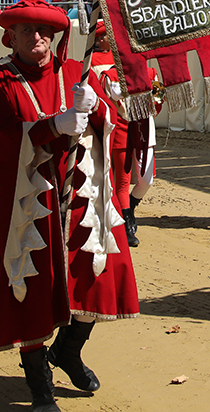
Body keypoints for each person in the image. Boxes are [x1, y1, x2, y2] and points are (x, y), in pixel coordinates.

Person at [0, 0, 136, 411]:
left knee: (97, 274)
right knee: (30, 285)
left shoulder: (73, 74)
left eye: (45, 31)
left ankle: (67, 350)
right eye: (28, 31)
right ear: (10, 35)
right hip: (31, 201)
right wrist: (53, 126)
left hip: (80, 192)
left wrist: (98, 107)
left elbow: (107, 126)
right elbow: (1, 144)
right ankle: (38, 382)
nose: (38, 38)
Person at [89, 20, 159, 248]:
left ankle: (127, 207)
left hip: (143, 128)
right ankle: (127, 222)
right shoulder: (105, 71)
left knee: (146, 179)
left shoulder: (148, 70)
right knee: (122, 180)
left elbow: (155, 103)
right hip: (120, 127)